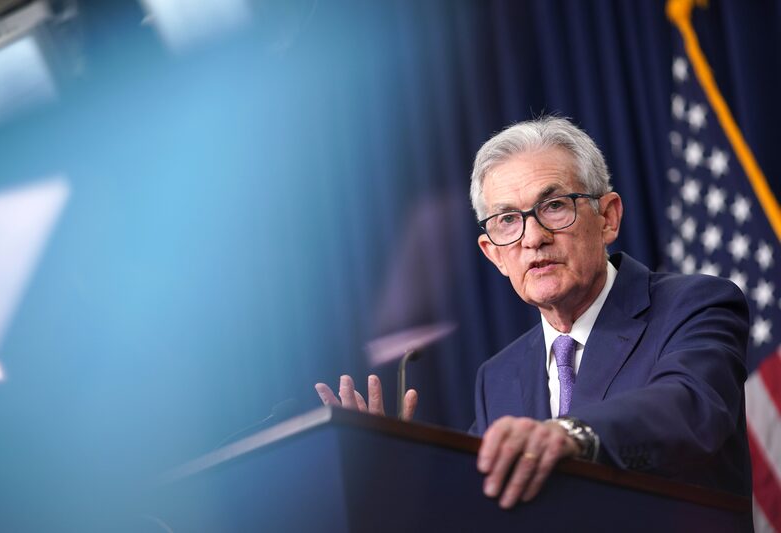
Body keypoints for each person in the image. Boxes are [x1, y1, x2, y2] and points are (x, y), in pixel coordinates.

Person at [315, 116, 751, 509]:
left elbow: (690, 410)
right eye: (507, 220)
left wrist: (568, 435)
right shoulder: (499, 376)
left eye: (554, 206)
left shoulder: (695, 306)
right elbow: (474, 499)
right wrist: (398, 461)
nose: (533, 237)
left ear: (608, 219)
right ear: (494, 255)